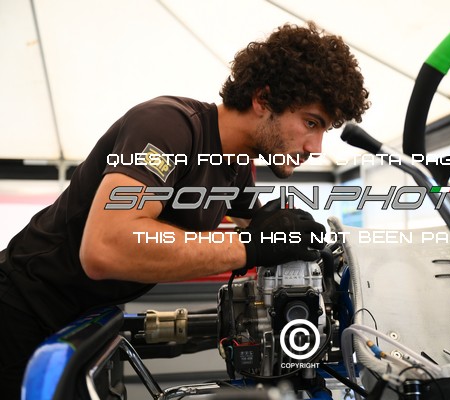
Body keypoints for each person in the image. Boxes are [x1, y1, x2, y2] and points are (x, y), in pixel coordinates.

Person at [0, 22, 370, 398]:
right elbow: (105, 248)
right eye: (310, 123)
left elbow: (263, 230)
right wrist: (250, 246)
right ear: (263, 99)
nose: (315, 147)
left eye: (324, 129)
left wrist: (305, 247)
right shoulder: (168, 127)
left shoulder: (238, 166)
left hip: (88, 321)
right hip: (19, 308)